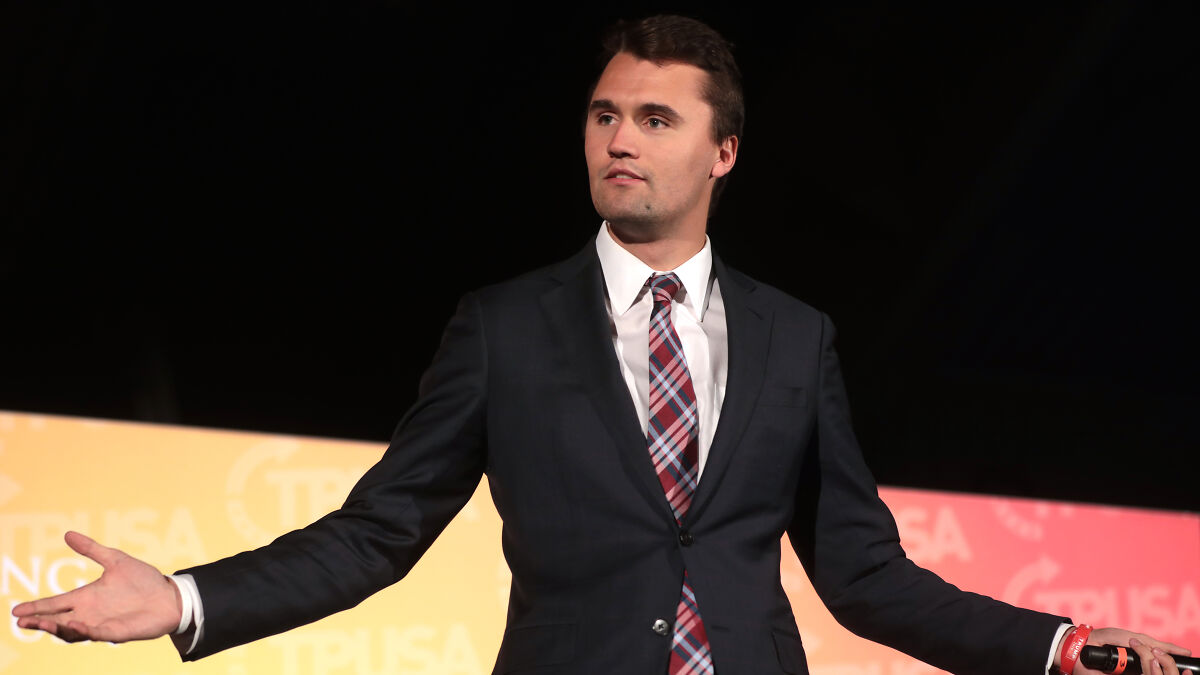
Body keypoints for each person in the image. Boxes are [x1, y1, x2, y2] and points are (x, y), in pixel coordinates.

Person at [12, 14, 1192, 675]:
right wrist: (183, 598)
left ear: (723, 153)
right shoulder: (503, 328)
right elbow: (380, 533)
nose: (620, 137)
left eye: (656, 118)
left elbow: (865, 575)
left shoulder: (795, 338)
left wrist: (1065, 645)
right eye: (604, 113)